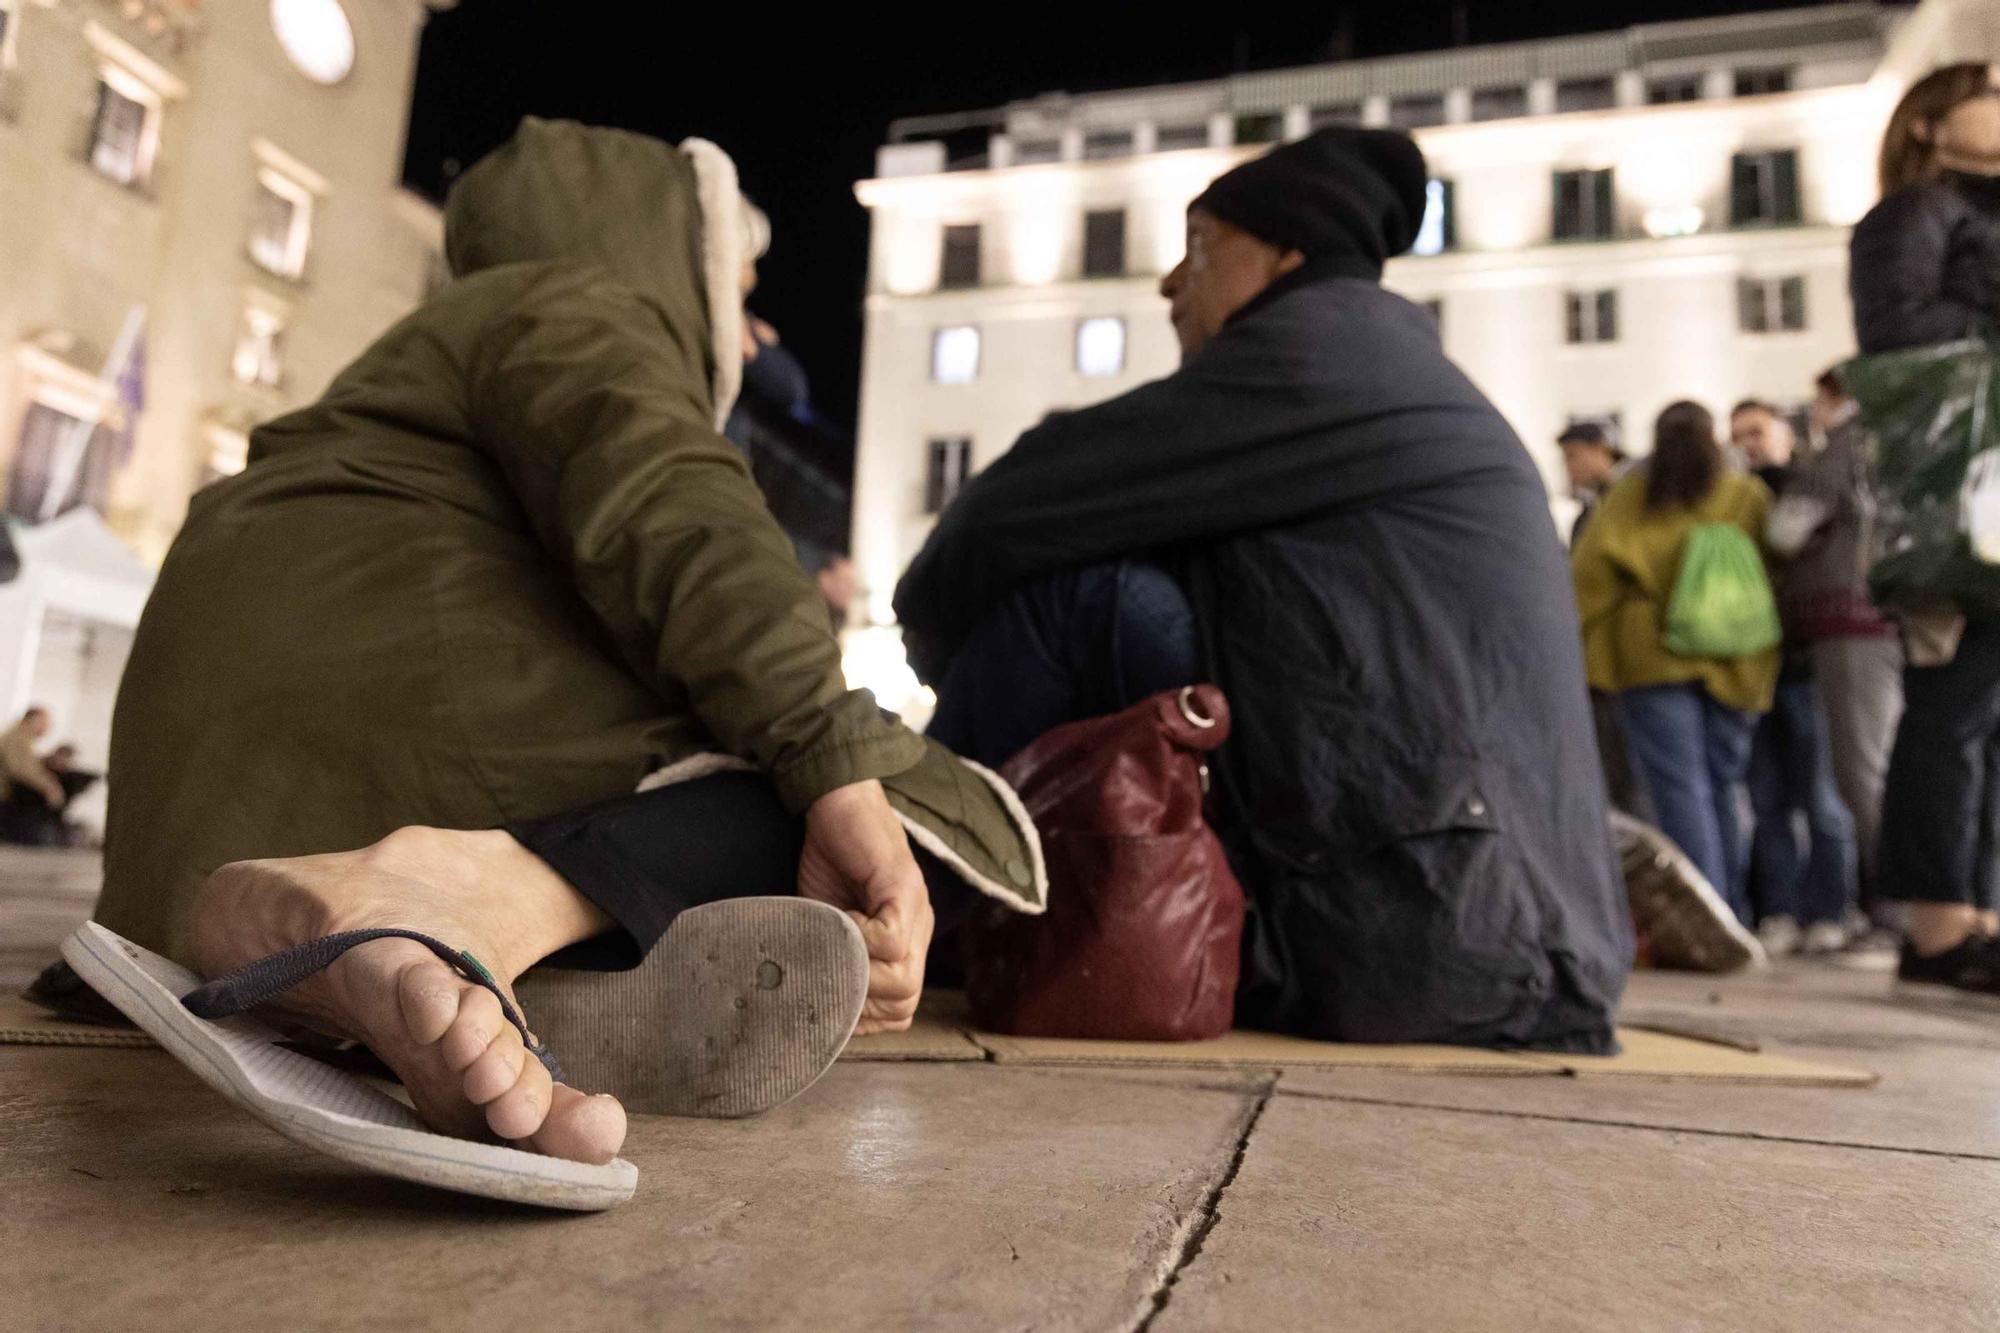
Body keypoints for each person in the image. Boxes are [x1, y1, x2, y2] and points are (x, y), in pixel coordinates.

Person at [89, 120, 1042, 1163]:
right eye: (737, 278)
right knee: (847, 804)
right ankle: (453, 902)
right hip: (382, 752)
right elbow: (675, 514)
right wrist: (837, 769)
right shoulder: (574, 303)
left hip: (180, 853)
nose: (749, 316)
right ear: (672, 252)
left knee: (765, 811)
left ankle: (422, 980)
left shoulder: (423, 354)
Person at [897, 127, 1633, 1052]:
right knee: (1145, 597)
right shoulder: (1385, 369)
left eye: (1198, 247)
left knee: (1088, 603)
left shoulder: (1318, 355)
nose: (1171, 282)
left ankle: (889, 894)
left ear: (1287, 256)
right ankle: (969, 900)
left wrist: (937, 645)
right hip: (1492, 920)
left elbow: (1005, 513)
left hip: (1435, 930)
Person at [1848, 65, 2000, 995]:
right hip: (1956, 502)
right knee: (1953, 704)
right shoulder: (1914, 215)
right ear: (1932, 124)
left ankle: (1976, 914)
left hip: (1987, 492)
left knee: (1983, 710)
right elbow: (1896, 329)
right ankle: (1939, 924)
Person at [1573, 402, 1781, 923]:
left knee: (1677, 788)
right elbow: (1775, 564)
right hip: (1736, 654)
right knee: (1725, 787)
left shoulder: (1632, 498)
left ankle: (1708, 915)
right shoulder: (1745, 495)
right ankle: (1734, 907)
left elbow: (1589, 578)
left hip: (1652, 656)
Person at [1766, 369, 1903, 941]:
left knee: (1862, 771)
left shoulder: (1847, 447)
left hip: (1851, 622)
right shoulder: (1896, 439)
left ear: (1833, 397)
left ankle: (1897, 910)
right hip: (1887, 619)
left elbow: (1784, 531)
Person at [1728, 399, 1858, 954]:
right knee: (1768, 800)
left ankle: (1830, 910)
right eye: (1737, 435)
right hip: (1758, 666)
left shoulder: (1814, 485)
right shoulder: (1733, 500)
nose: (1747, 444)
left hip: (1809, 661)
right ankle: (1779, 910)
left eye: (1756, 431)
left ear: (1786, 431)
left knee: (1823, 797)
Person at [1559, 421, 1628, 544]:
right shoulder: (1592, 509)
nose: (1568, 466)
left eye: (1572, 455)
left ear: (1599, 448)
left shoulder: (1633, 493)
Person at [0, 707, 66, 812]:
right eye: (44, 723)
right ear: (32, 720)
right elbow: (22, 769)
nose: (46, 728)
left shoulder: (21, 735)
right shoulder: (18, 737)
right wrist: (50, 788)